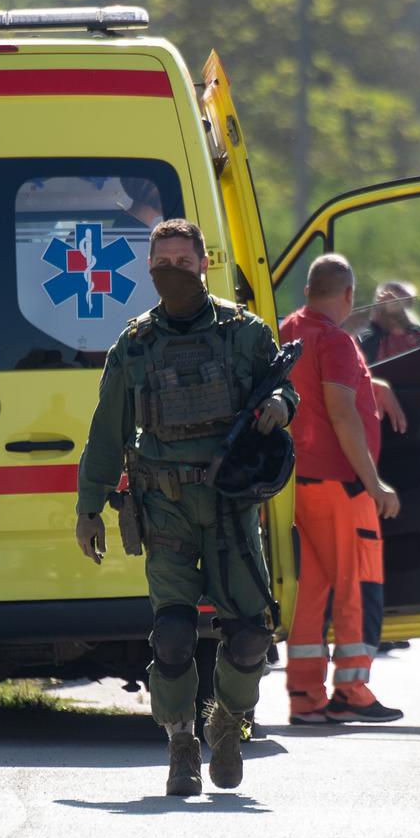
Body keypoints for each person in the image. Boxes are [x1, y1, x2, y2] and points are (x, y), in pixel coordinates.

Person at [74, 218, 298, 798]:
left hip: (229, 507)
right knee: (172, 634)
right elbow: (107, 430)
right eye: (161, 262)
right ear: (150, 270)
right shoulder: (137, 344)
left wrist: (279, 403)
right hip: (165, 505)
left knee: (250, 636)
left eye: (181, 260)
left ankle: (226, 721)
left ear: (204, 263)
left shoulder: (244, 332)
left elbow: (282, 385)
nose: (171, 270)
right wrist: (89, 505)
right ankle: (180, 742)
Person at [281, 253, 408, 724]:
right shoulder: (335, 339)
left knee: (313, 589)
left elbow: (314, 386)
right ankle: (352, 689)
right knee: (355, 584)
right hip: (339, 483)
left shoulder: (292, 327)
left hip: (301, 482)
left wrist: (371, 383)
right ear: (349, 294)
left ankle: (305, 695)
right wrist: (374, 483)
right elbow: (339, 411)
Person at [356, 280, 420, 363]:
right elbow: (366, 355)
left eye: (397, 301)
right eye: (386, 300)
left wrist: (402, 319)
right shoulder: (367, 335)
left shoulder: (416, 333)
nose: (392, 302)